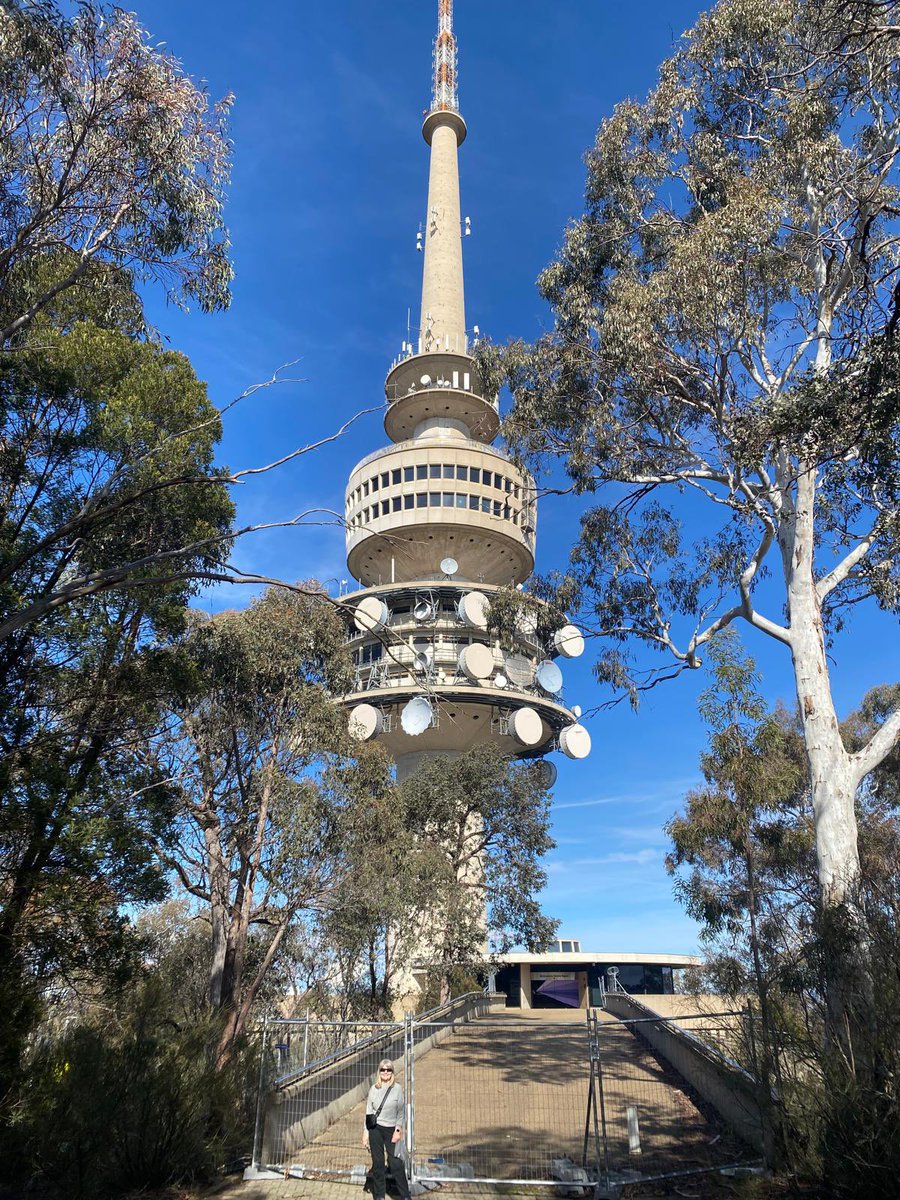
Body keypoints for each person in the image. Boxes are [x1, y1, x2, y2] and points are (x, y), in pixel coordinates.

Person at [362, 1058, 411, 1200]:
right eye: (382, 1069)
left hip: (391, 1130)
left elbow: (401, 1113)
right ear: (379, 1072)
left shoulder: (397, 1089)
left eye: (388, 1069)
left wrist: (398, 1130)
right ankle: (379, 1196)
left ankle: (405, 1196)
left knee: (396, 1162)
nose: (385, 1072)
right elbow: (368, 1112)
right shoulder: (373, 1089)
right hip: (375, 1129)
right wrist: (365, 1134)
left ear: (392, 1072)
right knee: (378, 1164)